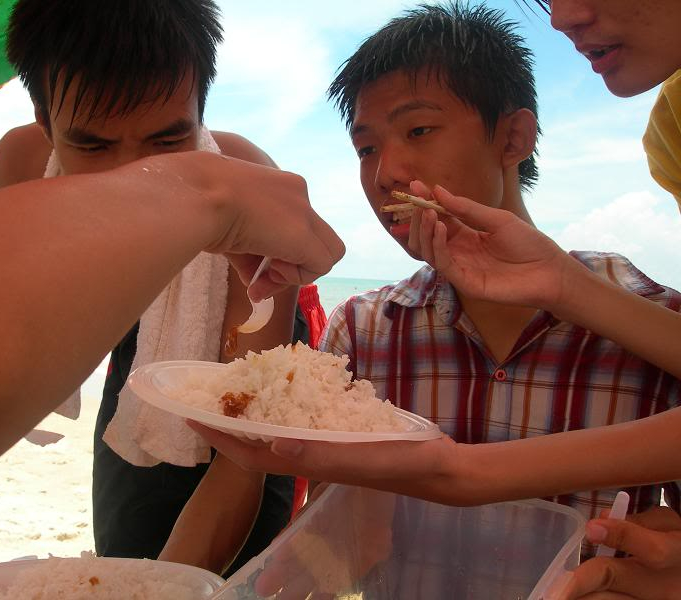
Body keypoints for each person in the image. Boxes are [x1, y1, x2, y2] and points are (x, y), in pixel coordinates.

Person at [196, 1, 681, 596]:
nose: (385, 173)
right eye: (366, 148)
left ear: (513, 137)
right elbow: (338, 541)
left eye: (419, 130)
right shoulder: (364, 331)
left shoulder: (655, 326)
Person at [0, 0, 305, 576]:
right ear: (44, 120)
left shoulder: (251, 190)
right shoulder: (22, 166)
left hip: (242, 364)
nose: (137, 185)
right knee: (122, 554)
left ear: (199, 112)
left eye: (167, 142)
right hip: (134, 356)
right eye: (92, 146)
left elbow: (245, 453)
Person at [0, 148, 344, 505]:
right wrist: (203, 194)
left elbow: (248, 444)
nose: (134, 168)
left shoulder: (239, 168)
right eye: (93, 143)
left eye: (167, 141)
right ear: (48, 126)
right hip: (130, 423)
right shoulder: (20, 158)